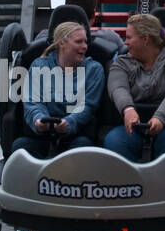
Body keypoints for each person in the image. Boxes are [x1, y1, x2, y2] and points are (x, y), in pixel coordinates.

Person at [104, 13, 165, 169]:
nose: (125, 43)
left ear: (145, 39)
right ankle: (122, 187)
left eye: (129, 38)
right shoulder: (121, 62)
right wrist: (128, 109)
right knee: (114, 141)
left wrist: (160, 118)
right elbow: (118, 88)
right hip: (133, 126)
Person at [10, 21, 104, 158]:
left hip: (76, 135)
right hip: (42, 135)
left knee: (83, 147)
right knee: (20, 147)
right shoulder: (39, 65)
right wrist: (39, 119)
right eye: (79, 42)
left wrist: (70, 122)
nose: (84, 46)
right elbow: (32, 100)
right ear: (61, 43)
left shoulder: (94, 69)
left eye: (85, 42)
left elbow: (88, 105)